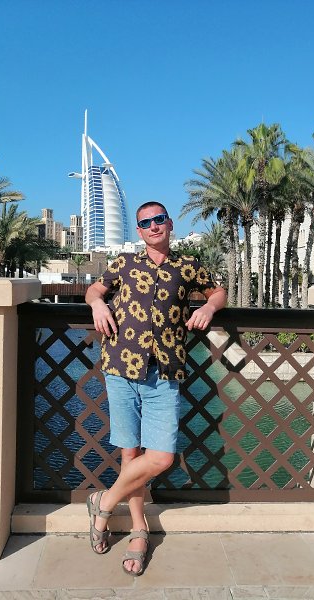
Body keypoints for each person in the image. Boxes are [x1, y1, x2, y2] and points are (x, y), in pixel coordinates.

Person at [85, 201, 227, 576]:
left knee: (161, 458)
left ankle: (103, 502)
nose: (153, 226)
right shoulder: (124, 263)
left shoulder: (188, 265)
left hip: (164, 372)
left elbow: (218, 292)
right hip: (120, 368)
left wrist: (209, 308)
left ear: (169, 223)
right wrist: (97, 303)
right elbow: (94, 290)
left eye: (158, 219)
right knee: (130, 455)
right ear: (139, 230)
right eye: (145, 222)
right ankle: (139, 531)